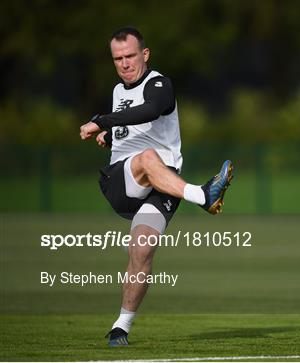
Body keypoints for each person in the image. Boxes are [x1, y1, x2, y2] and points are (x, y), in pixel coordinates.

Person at [79, 27, 233, 347]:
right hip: (122, 182)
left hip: (163, 184)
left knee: (142, 249)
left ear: (144, 55)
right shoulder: (118, 91)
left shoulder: (160, 84)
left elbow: (149, 110)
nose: (124, 63)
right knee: (148, 158)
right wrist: (111, 131)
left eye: (130, 56)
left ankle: (121, 327)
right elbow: (133, 127)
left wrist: (103, 124)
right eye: (117, 58)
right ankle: (203, 196)